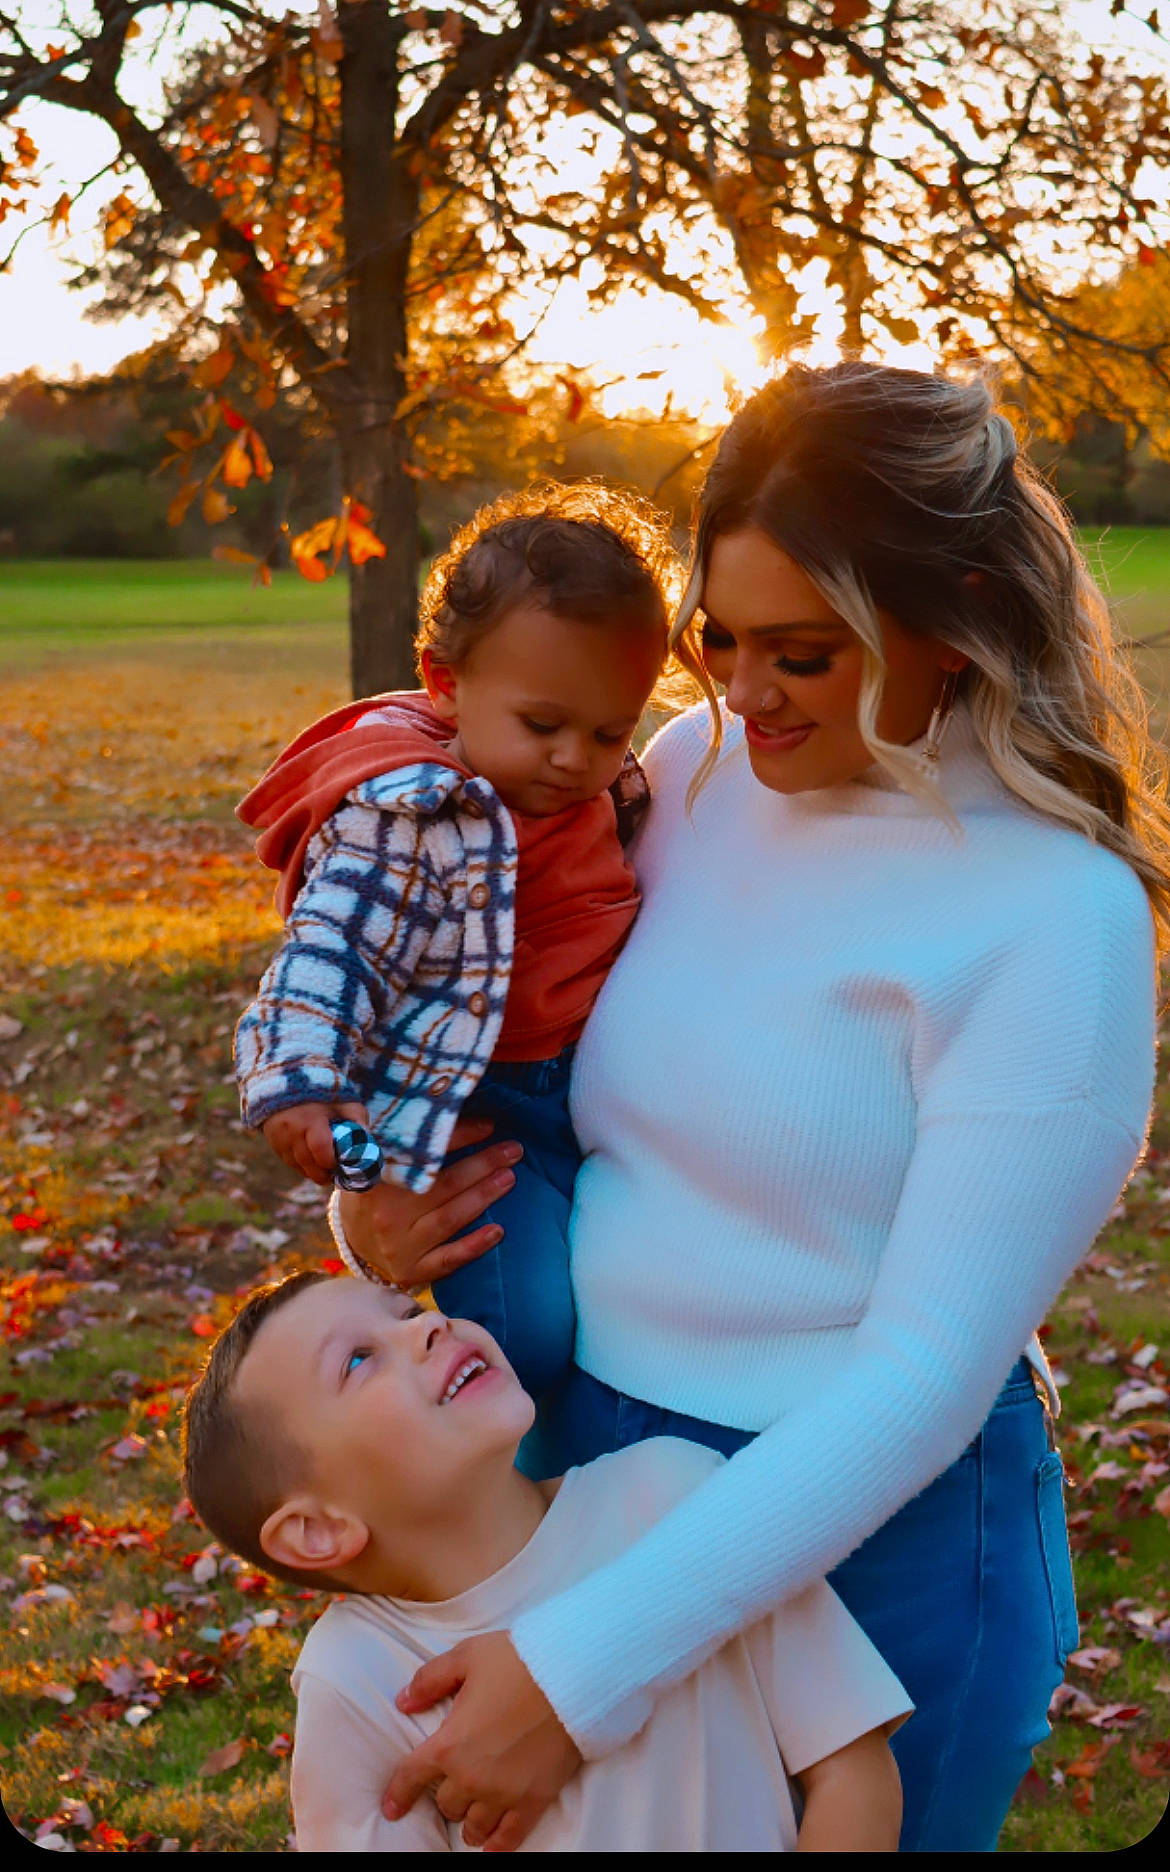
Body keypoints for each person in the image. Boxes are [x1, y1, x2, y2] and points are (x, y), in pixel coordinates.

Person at [334, 363, 1167, 1854]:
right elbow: (516, 1065)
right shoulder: (683, 775)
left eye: (802, 653)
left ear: (955, 615)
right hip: (583, 1473)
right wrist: (374, 1201)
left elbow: (920, 1374)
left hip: (879, 1539)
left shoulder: (1057, 915)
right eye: (720, 638)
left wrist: (579, 1671)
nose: (739, 692)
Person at [181, 1270, 913, 1852]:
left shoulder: (678, 1493)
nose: (429, 1325)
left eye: (405, 1310)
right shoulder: (359, 1678)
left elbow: (853, 1768)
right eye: (358, 1359)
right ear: (317, 1530)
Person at [233, 486, 669, 1399]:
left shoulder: (614, 793)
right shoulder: (417, 817)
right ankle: (499, 1494)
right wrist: (306, 1080)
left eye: (609, 731)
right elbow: (331, 951)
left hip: (586, 1096)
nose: (574, 759)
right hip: (474, 1115)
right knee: (528, 1336)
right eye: (542, 725)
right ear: (445, 683)